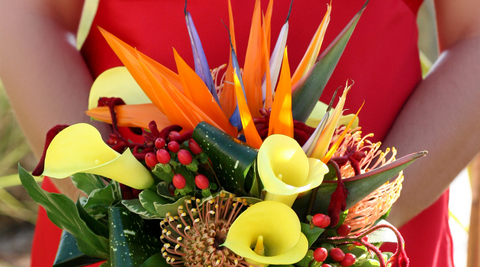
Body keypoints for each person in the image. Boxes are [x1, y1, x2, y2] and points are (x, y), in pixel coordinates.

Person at [0, 0, 479, 266]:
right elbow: (27, 12)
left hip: (371, 225)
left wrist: (351, 221)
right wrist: (120, 215)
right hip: (127, 212)